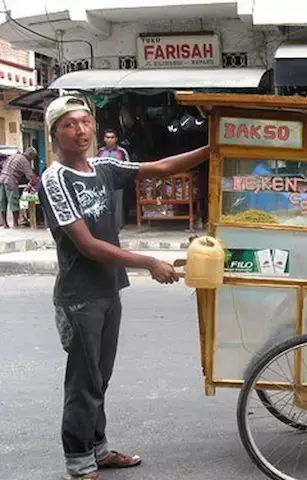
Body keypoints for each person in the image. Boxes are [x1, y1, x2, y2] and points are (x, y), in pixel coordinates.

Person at [38, 95, 210, 480]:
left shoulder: (102, 167)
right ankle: (78, 458)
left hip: (108, 289)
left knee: (101, 377)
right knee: (84, 381)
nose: (80, 131)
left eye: (85, 122)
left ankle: (98, 448)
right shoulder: (55, 179)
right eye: (69, 124)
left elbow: (162, 167)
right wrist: (149, 261)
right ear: (55, 133)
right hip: (79, 295)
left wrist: (216, 147)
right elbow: (87, 245)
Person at [97, 129, 130, 231]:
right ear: (104, 139)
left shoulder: (122, 152)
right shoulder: (100, 152)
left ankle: (118, 227)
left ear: (116, 139)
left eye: (112, 137)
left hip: (118, 183)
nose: (110, 140)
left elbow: (127, 166)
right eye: (107, 137)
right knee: (105, 205)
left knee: (118, 206)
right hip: (103, 183)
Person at [0, 146, 38, 228]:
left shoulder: (14, 155)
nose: (32, 160)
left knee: (2, 202)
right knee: (14, 202)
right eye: (33, 158)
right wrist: (30, 185)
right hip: (11, 181)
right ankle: (15, 224)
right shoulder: (24, 161)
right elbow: (32, 178)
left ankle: (5, 224)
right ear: (30, 155)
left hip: (2, 179)